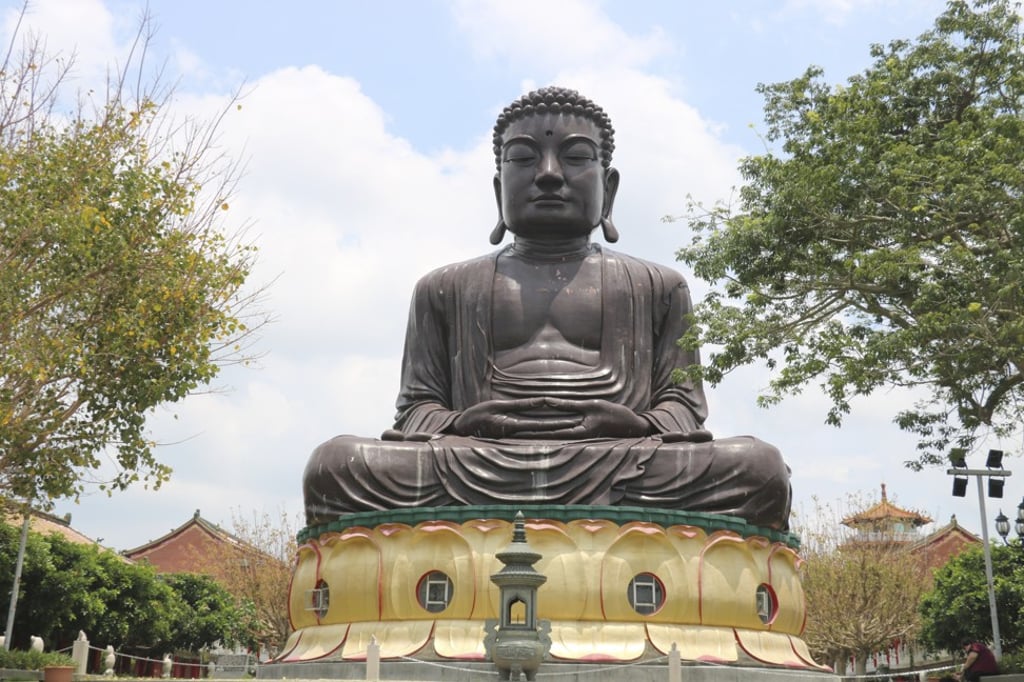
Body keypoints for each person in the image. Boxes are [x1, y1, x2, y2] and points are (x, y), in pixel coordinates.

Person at [302, 86, 792, 529]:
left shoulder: (658, 285)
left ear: (610, 188)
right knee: (335, 465)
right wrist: (468, 424)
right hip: (476, 460)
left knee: (759, 469)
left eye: (576, 157)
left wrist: (635, 424)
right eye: (523, 159)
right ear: (498, 189)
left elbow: (682, 408)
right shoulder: (444, 287)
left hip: (622, 460)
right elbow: (417, 409)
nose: (550, 174)